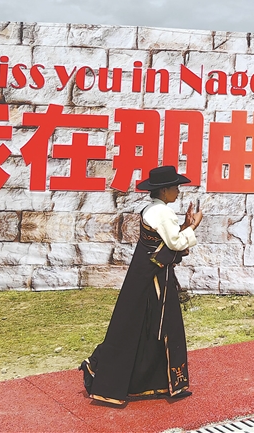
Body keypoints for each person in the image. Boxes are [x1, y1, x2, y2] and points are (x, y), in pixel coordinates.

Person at [79, 165, 202, 405]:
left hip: (147, 277)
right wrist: (193, 226)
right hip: (155, 280)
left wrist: (185, 227)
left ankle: (152, 382)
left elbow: (165, 242)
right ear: (164, 190)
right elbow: (175, 244)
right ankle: (101, 368)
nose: (178, 191)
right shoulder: (163, 212)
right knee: (159, 326)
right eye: (175, 187)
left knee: (143, 326)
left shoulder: (150, 209)